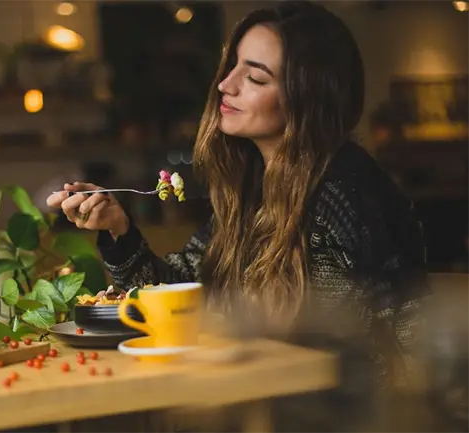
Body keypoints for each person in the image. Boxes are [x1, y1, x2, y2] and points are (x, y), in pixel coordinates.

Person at [46, 0, 429, 386]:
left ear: (307, 99)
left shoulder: (344, 195)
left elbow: (409, 338)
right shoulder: (254, 188)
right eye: (234, 67)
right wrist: (118, 229)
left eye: (256, 78)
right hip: (263, 397)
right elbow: (184, 292)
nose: (225, 85)